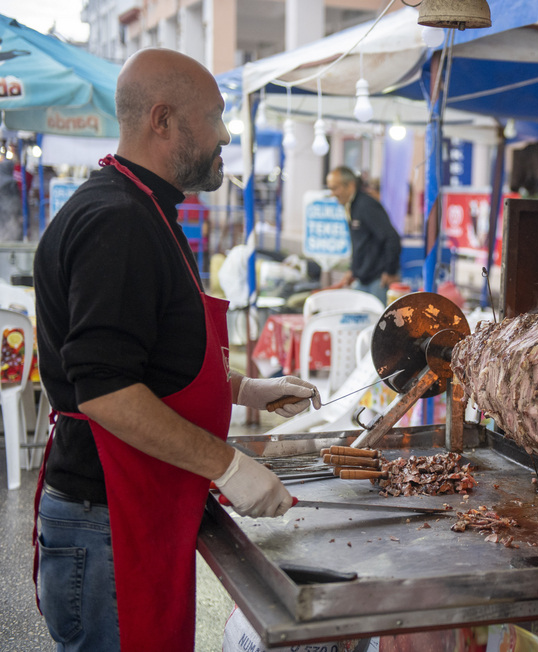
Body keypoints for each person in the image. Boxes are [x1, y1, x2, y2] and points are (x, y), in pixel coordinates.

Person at [32, 48, 322, 652]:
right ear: (162, 120)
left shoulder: (144, 208)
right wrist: (229, 466)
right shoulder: (119, 221)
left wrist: (246, 389)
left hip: (131, 515)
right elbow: (107, 390)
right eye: (215, 118)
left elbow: (154, 354)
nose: (225, 136)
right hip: (105, 520)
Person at [325, 166, 401, 302]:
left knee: (379, 321)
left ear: (350, 185)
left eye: (335, 188)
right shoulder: (351, 206)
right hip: (363, 278)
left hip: (378, 280)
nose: (333, 193)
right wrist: (353, 270)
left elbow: (391, 237)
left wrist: (390, 271)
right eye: (330, 188)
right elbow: (361, 243)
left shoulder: (366, 206)